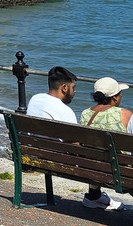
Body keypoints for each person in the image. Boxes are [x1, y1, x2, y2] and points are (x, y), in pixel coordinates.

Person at [26, 66, 117, 210]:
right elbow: (76, 148)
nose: (75, 92)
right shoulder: (64, 111)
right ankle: (94, 196)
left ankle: (95, 197)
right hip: (60, 161)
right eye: (73, 87)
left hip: (35, 155)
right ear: (64, 88)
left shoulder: (35, 99)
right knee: (99, 153)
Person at [77, 76, 131, 210]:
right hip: (120, 172)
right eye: (120, 93)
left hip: (92, 168)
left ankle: (93, 196)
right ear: (115, 98)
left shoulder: (85, 114)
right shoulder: (124, 114)